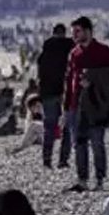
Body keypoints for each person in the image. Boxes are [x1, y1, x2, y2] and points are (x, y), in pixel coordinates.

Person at [64, 16, 109, 192]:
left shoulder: (104, 51)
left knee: (97, 142)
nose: (74, 35)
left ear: (88, 31)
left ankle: (100, 179)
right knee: (79, 143)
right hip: (76, 105)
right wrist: (66, 107)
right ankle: (82, 180)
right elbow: (69, 80)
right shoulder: (74, 54)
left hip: (97, 105)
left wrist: (94, 80)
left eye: (77, 31)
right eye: (73, 32)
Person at [37, 23, 76, 169]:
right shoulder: (71, 48)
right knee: (66, 126)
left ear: (53, 33)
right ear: (64, 33)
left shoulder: (44, 52)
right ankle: (63, 160)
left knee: (49, 127)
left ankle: (47, 160)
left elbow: (40, 75)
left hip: (48, 93)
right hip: (66, 92)